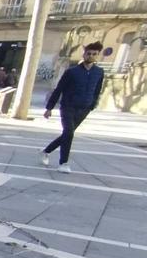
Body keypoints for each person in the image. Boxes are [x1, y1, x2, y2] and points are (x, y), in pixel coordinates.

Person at [41, 41, 105, 173]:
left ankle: (45, 151)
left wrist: (92, 104)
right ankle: (63, 163)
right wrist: (49, 108)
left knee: (67, 134)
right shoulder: (72, 72)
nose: (91, 56)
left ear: (98, 55)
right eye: (89, 53)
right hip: (68, 106)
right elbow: (59, 89)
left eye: (94, 54)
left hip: (85, 108)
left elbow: (97, 90)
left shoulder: (99, 72)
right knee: (69, 133)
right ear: (84, 54)